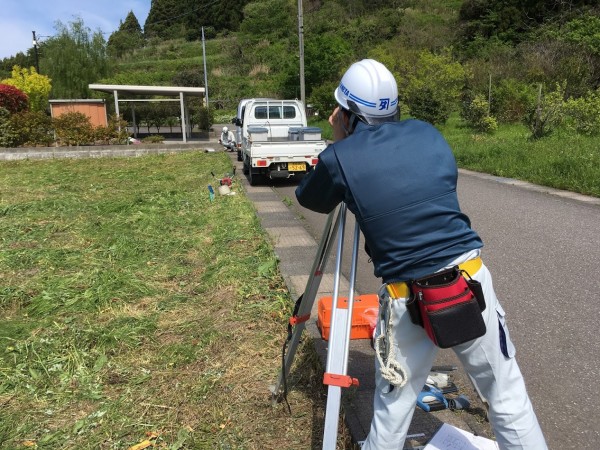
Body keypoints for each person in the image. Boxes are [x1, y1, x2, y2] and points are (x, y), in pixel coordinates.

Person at [295, 59, 547, 450]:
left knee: (392, 413)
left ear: (346, 113)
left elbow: (309, 197)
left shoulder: (339, 158)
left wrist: (340, 143)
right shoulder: (429, 134)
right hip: (470, 279)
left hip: (406, 298)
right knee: (508, 399)